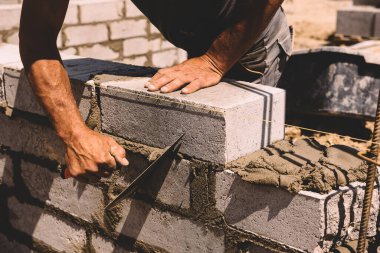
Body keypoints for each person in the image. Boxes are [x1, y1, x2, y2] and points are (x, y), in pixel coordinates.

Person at [19, 0, 292, 179]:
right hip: (197, 36)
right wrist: (75, 135)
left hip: (251, 38)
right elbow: (37, 39)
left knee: (238, 164)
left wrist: (216, 59)